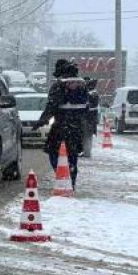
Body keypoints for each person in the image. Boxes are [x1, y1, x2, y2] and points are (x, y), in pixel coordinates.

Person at [32, 59, 88, 190]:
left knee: (54, 153)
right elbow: (86, 108)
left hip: (60, 127)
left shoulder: (58, 85)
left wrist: (41, 121)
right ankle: (71, 180)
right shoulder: (82, 85)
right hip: (76, 127)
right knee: (72, 155)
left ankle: (62, 177)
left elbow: (51, 106)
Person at [81, 78, 100, 158]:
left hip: (87, 119)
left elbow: (87, 107)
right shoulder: (95, 94)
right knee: (88, 136)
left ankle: (87, 152)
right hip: (91, 119)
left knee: (86, 136)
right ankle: (87, 151)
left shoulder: (90, 94)